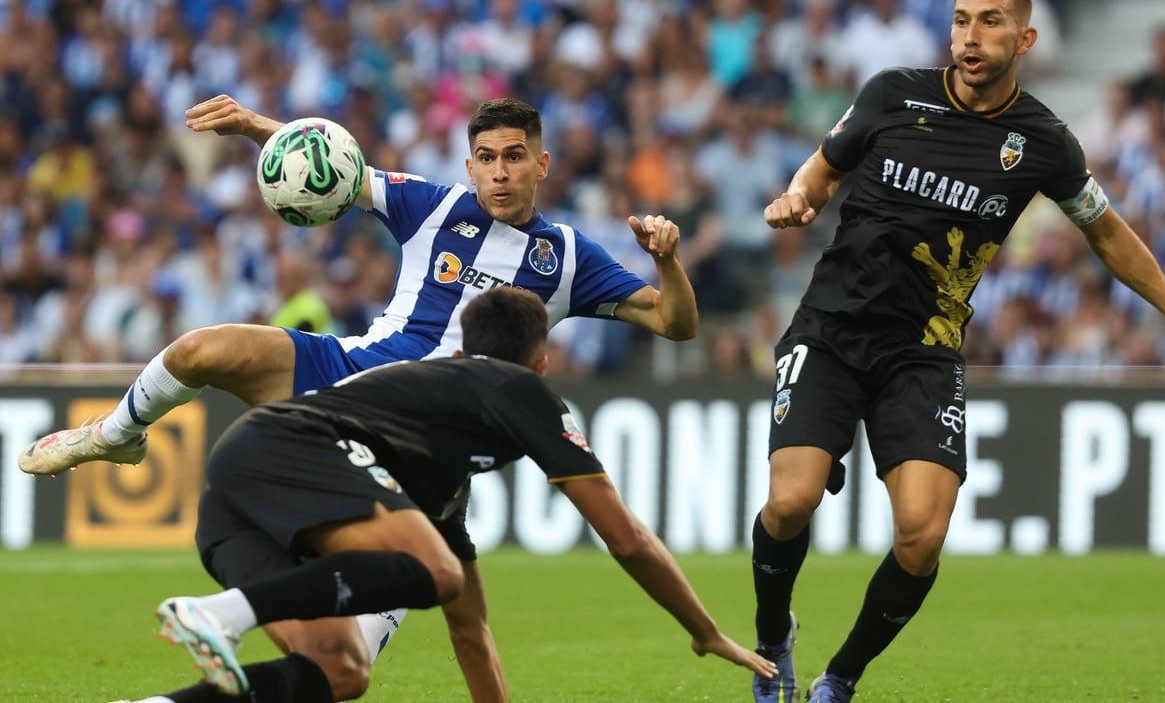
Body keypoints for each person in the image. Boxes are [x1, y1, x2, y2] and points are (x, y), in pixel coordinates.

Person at [22, 95, 698, 702]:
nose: (499, 172)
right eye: (486, 158)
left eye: (514, 158)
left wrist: (667, 258)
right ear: (469, 165)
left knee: (341, 671)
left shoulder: (570, 257)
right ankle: (114, 434)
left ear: (541, 164)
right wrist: (257, 126)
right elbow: (333, 168)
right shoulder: (431, 205)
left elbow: (674, 323)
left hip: (417, 453)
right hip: (344, 372)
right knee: (203, 349)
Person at [747, 0, 1165, 703]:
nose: (970, 37)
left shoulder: (1044, 141)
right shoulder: (892, 94)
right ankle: (771, 640)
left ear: (1025, 40)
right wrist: (801, 197)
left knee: (921, 536)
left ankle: (840, 678)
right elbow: (823, 170)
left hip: (924, 350)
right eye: (959, 22)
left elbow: (1105, 230)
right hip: (831, 328)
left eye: (989, 23)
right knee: (790, 502)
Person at [111, 287, 775, 702]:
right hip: (291, 446)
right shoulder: (520, 389)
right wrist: (706, 630)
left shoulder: (429, 453)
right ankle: (224, 614)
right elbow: (625, 536)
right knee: (432, 568)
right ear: (540, 361)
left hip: (235, 494)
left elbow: (470, 627)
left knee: (340, 669)